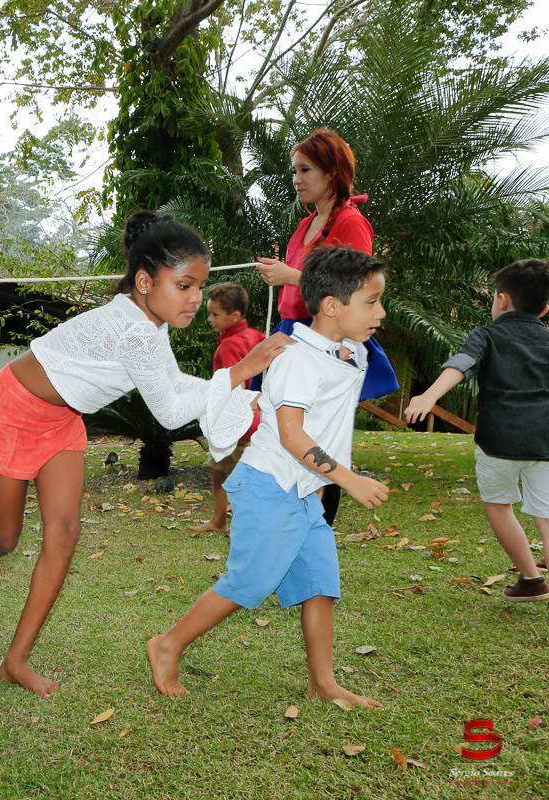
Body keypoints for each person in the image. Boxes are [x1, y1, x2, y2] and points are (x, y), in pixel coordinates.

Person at [0, 210, 292, 699]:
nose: (196, 298)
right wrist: (241, 372)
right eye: (184, 285)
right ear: (144, 280)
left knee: (64, 534)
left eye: (200, 287)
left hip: (62, 420)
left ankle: (16, 660)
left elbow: (173, 387)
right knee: (5, 537)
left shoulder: (147, 325)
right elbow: (173, 409)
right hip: (14, 410)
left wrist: (236, 392)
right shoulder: (134, 330)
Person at [148, 247, 391, 707]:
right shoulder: (296, 358)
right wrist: (350, 479)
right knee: (249, 583)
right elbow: (292, 436)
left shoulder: (351, 350)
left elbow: (340, 364)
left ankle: (322, 682)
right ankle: (167, 644)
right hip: (270, 488)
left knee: (319, 582)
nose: (381, 312)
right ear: (333, 307)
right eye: (372, 301)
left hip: (305, 493)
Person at [254, 127, 399, 526]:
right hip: (292, 336)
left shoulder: (352, 223)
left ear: (331, 173)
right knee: (281, 425)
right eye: (295, 171)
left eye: (305, 170)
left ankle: (315, 524)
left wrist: (291, 275)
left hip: (323, 342)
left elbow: (357, 290)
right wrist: (284, 276)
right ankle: (290, 518)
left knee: (319, 431)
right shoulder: (304, 227)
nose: (297, 180)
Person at [404, 259, 549, 602]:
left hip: (498, 439)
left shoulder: (486, 334)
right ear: (544, 309)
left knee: (499, 505)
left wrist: (428, 394)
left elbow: (462, 364)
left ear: (501, 300)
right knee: (546, 508)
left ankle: (531, 579)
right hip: (545, 439)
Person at [189, 283, 266, 533]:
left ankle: (248, 527)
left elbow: (233, 389)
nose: (210, 319)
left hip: (240, 425)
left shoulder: (229, 346)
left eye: (215, 314)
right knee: (217, 469)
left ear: (234, 315)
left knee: (239, 478)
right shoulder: (257, 336)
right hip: (258, 419)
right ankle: (219, 520)